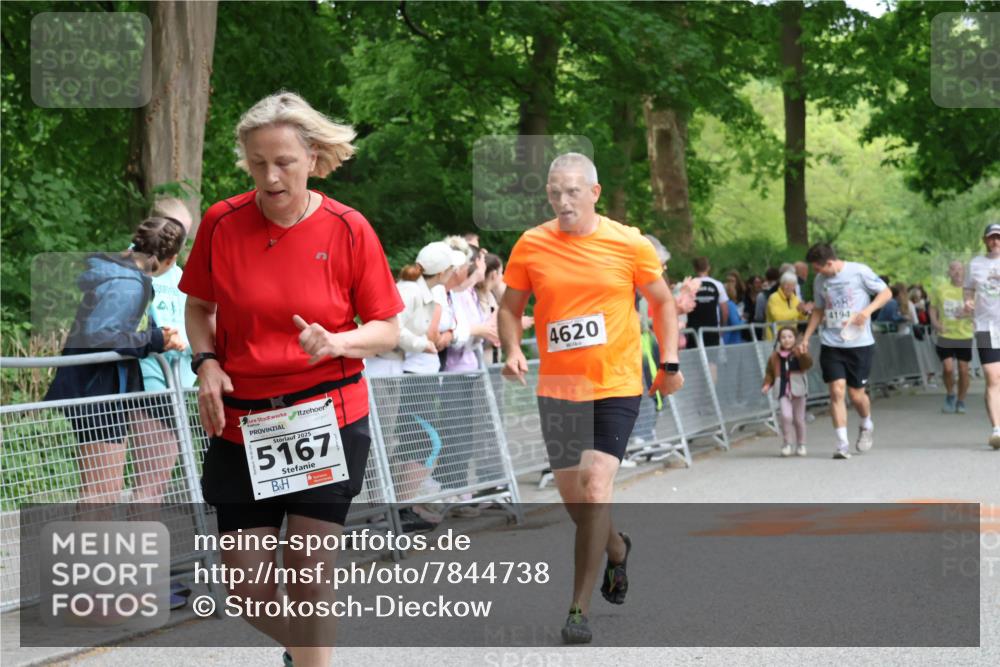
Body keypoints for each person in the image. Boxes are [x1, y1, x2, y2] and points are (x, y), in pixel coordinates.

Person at [179, 92, 403, 666]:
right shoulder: (222, 222)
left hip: (325, 412)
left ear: (313, 156)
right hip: (243, 424)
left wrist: (339, 341)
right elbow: (199, 308)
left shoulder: (348, 229)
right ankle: (309, 654)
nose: (271, 176)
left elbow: (387, 330)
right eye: (257, 163)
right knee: (248, 593)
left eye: (284, 161)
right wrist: (206, 364)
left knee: (308, 581)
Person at [498, 152, 683, 644]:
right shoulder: (531, 244)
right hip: (559, 389)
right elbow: (509, 308)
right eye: (554, 193)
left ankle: (577, 609)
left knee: (595, 483)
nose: (562, 201)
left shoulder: (628, 242)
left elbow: (663, 302)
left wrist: (669, 363)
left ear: (594, 193)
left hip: (616, 383)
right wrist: (513, 348)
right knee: (578, 504)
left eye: (572, 192)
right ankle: (617, 548)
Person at [45, 216, 188, 507]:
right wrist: (156, 341)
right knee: (101, 495)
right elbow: (101, 334)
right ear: (171, 259)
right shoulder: (126, 283)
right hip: (95, 393)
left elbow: (114, 328)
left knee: (102, 494)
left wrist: (155, 335)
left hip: (103, 391)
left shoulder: (126, 276)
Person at [798, 243, 890, 459]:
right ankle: (842, 444)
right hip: (832, 343)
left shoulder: (859, 271)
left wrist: (866, 312)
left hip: (859, 344)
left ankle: (866, 424)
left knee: (856, 395)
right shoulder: (821, 281)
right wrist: (807, 336)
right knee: (837, 391)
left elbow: (886, 293)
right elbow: (819, 310)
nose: (816, 273)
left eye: (818, 268)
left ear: (829, 263)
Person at [963, 223, 1000, 450]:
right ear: (984, 240)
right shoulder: (975, 264)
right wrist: (967, 300)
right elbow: (968, 289)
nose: (996, 241)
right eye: (992, 238)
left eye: (999, 238)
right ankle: (997, 429)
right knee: (991, 376)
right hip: (985, 327)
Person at [930, 261, 974, 413]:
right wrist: (935, 323)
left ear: (964, 272)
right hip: (945, 334)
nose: (957, 272)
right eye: (953, 269)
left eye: (960, 269)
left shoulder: (970, 291)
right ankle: (950, 394)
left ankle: (961, 401)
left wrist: (970, 313)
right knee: (948, 368)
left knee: (963, 369)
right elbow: (932, 308)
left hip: (964, 335)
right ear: (948, 272)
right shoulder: (940, 290)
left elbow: (979, 310)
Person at [762, 325, 813, 457]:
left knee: (798, 419)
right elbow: (770, 372)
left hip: (799, 389)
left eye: (790, 337)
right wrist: (767, 384)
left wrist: (802, 353)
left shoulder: (799, 351)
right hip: (782, 389)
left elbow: (808, 364)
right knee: (786, 416)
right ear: (779, 339)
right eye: (783, 337)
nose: (787, 340)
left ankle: (801, 444)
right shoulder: (775, 356)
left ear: (795, 338)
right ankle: (787, 443)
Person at [687, 256, 729, 348]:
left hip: (693, 331)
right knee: (713, 360)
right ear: (708, 267)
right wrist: (723, 327)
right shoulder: (718, 285)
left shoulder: (689, 285)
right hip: (713, 330)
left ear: (695, 268)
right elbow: (725, 310)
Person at [765, 272, 809, 339]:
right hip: (775, 338)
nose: (789, 287)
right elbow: (778, 318)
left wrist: (804, 312)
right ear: (781, 284)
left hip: (791, 338)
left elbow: (800, 318)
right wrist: (797, 309)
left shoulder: (795, 299)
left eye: (792, 285)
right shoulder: (773, 298)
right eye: (787, 284)